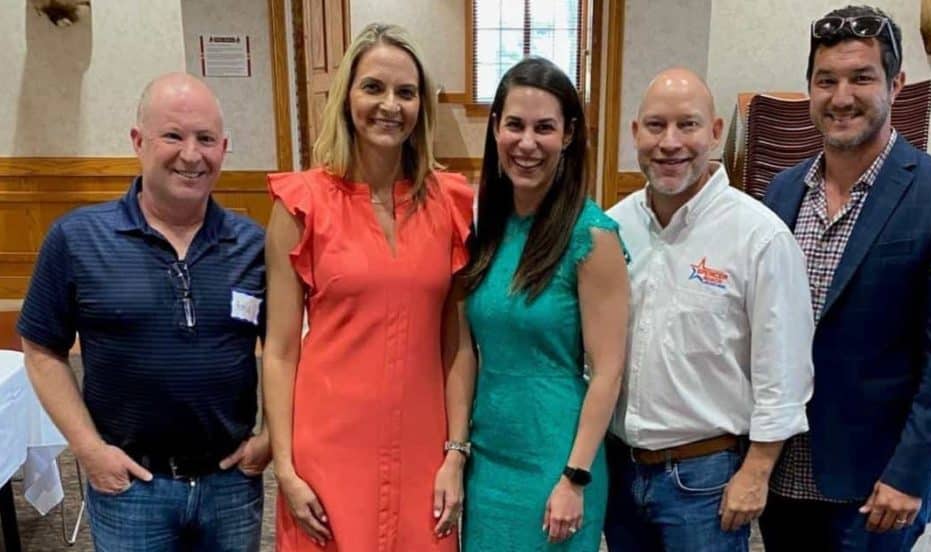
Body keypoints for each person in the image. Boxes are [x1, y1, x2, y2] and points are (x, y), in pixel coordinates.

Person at [759, 6, 931, 551]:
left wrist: (911, 472)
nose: (842, 97)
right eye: (826, 81)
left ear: (896, 84)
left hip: (876, 488)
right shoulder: (781, 193)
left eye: (861, 78)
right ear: (810, 90)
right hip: (782, 474)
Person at [17, 72, 269, 551]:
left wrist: (272, 436)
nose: (191, 155)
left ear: (224, 148)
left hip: (231, 483)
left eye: (206, 139)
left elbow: (284, 353)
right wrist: (89, 450)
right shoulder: (77, 239)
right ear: (138, 142)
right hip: (131, 486)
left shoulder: (253, 244)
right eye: (173, 136)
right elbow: (41, 348)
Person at [262, 23, 473, 552]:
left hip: (423, 448)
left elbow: (457, 344)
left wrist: (457, 451)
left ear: (422, 105)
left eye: (406, 92)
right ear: (346, 97)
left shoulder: (451, 202)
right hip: (330, 446)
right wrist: (284, 467)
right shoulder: (300, 202)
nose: (390, 105)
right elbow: (281, 351)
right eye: (373, 87)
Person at [602, 67, 815, 552]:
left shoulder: (759, 237)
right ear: (635, 134)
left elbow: (784, 370)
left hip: (704, 480)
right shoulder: (613, 228)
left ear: (715, 132)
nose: (670, 142)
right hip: (620, 469)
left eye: (688, 125)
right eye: (655, 126)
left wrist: (757, 472)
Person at [444, 56, 630, 552]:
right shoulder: (484, 228)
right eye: (515, 126)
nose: (527, 144)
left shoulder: (592, 236)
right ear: (495, 129)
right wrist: (456, 452)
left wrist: (575, 477)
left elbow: (609, 370)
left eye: (544, 128)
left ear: (568, 134)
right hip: (489, 460)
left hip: (557, 461)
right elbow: (463, 351)